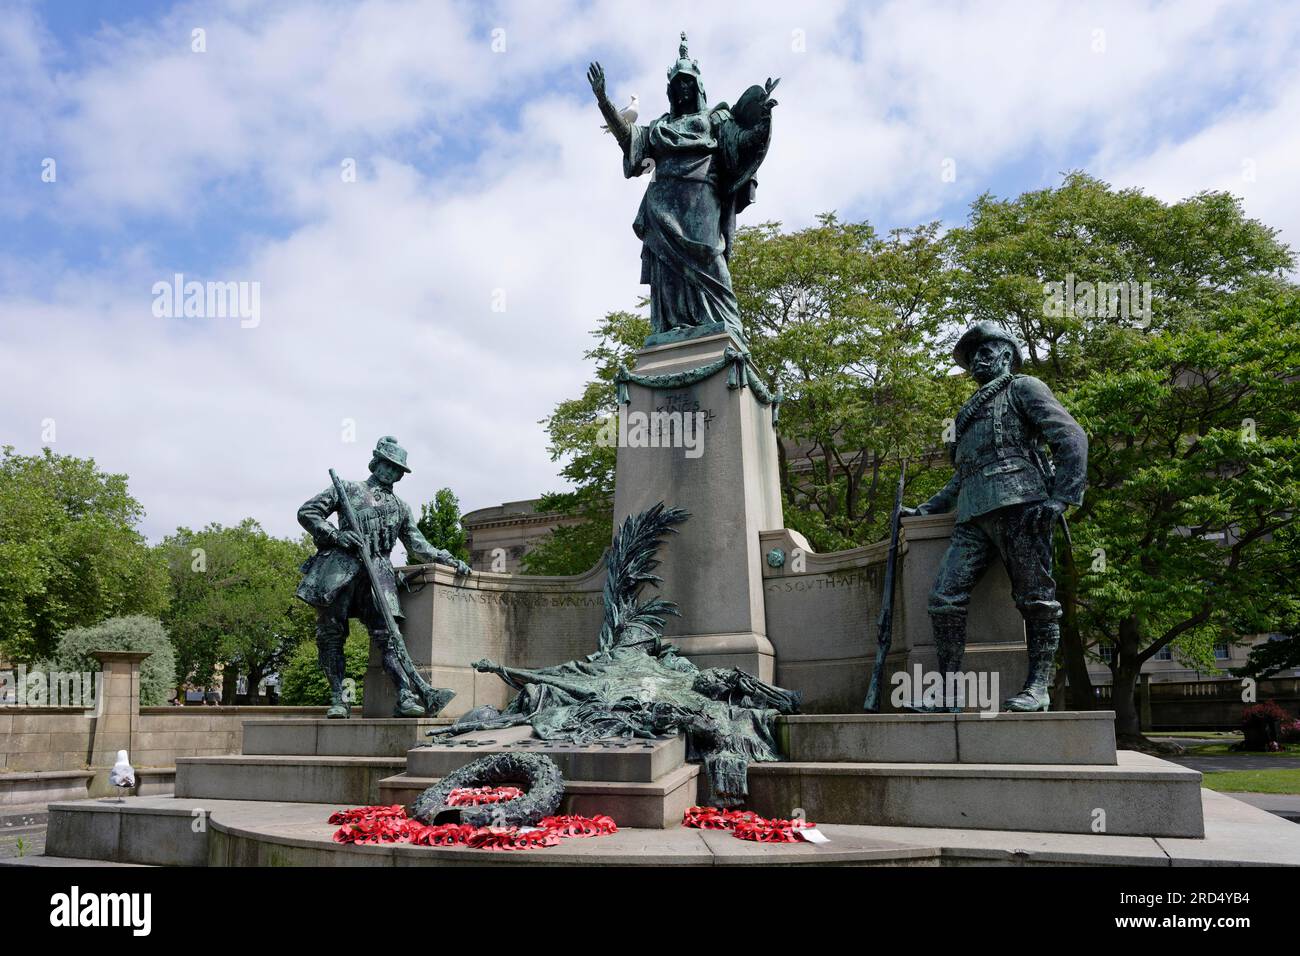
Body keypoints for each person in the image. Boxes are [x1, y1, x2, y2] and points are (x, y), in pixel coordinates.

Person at [902, 322, 1088, 711]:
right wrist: (927, 509)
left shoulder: (1023, 387)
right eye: (971, 358)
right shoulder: (968, 414)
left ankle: (1038, 689)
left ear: (1007, 354)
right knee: (943, 598)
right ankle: (950, 693)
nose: (977, 363)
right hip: (972, 515)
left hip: (1021, 504)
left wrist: (1061, 498)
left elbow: (1071, 436)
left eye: (985, 353)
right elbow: (965, 472)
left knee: (1036, 599)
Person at [587, 33, 778, 344]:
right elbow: (629, 139)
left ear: (698, 86)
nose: (684, 87)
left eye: (688, 82)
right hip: (661, 205)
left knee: (711, 262)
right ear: (671, 90)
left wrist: (763, 119)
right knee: (668, 276)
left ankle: (724, 328)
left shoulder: (716, 117)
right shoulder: (660, 126)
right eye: (678, 84)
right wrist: (604, 101)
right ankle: (673, 331)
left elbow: (741, 145)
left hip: (702, 197)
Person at [296, 436, 470, 718]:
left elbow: (416, 544)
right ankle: (339, 700)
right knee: (331, 636)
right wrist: (336, 536)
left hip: (378, 572)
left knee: (390, 636)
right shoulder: (349, 489)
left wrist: (445, 557)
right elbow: (308, 512)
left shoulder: (401, 507)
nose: (390, 472)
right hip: (340, 570)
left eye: (396, 469)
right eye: (387, 465)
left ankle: (405, 695)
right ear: (375, 463)